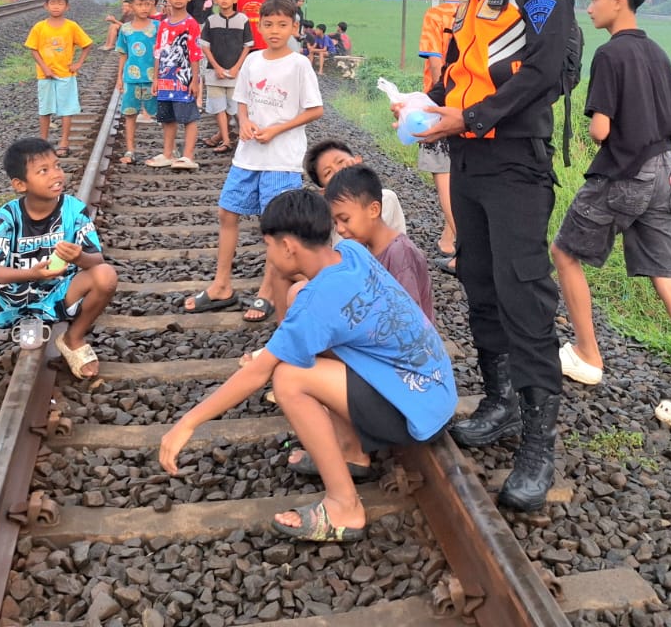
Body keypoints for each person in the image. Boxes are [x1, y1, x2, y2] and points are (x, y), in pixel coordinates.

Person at [159, 188, 455, 543]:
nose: (268, 256)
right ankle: (351, 452)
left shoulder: (319, 303)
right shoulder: (351, 253)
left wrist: (187, 423)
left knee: (288, 379)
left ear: (287, 247)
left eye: (268, 247)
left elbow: (258, 373)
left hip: (414, 405)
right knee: (297, 296)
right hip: (432, 386)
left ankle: (344, 507)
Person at [410, 0, 571, 511]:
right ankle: (501, 402)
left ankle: (539, 441)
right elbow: (458, 71)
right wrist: (427, 107)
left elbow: (545, 70)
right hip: (469, 160)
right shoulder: (476, 0)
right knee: (478, 280)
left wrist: (469, 116)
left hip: (515, 163)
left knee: (523, 290)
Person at [549, 0, 671, 443]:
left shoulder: (610, 55)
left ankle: (587, 354)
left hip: (623, 173)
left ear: (618, 1)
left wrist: (599, 130)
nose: (589, 7)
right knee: (669, 282)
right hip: (665, 173)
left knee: (564, 252)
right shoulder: (657, 52)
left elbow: (601, 130)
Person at [0, 137, 120, 389]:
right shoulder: (8, 216)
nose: (55, 174)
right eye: (43, 171)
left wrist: (78, 257)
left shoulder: (74, 210)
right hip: (12, 297)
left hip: (58, 295)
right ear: (20, 184)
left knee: (105, 275)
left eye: (57, 166)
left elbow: (96, 259)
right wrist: (30, 274)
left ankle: (73, 338)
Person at [184, 0, 321, 324]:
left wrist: (277, 129)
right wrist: (243, 122)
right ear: (260, 26)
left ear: (294, 28)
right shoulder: (254, 60)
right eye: (269, 24)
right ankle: (221, 285)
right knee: (227, 211)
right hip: (248, 156)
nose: (275, 31)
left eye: (283, 25)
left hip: (282, 159)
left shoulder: (299, 64)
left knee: (274, 227)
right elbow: (242, 100)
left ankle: (267, 292)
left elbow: (315, 109)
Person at [324, 165, 434, 324]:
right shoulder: (367, 248)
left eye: (345, 219)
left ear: (374, 210)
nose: (339, 229)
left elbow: (408, 319)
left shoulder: (399, 253)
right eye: (335, 222)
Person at [417, 0, 467, 271]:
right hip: (469, 104)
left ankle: (465, 245)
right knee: (461, 172)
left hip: (442, 104)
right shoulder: (475, 11)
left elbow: (436, 63)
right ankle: (448, 239)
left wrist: (438, 102)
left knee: (443, 174)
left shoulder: (436, 15)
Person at [25, 0, 93, 157]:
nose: (56, 7)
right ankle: (43, 141)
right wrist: (44, 67)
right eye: (53, 3)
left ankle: (64, 142)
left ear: (67, 7)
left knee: (66, 109)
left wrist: (78, 64)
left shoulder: (72, 26)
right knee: (45, 108)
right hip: (45, 75)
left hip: (65, 75)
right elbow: (33, 49)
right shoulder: (39, 27)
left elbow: (87, 45)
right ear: (45, 6)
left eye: (60, 3)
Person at [145, 0, 205, 170]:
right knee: (167, 117)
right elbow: (158, 51)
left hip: (184, 79)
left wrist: (195, 81)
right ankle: (168, 153)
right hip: (165, 79)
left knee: (189, 117)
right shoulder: (163, 24)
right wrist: (156, 78)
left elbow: (195, 54)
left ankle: (188, 155)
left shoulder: (191, 24)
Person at [303, 139, 409, 236]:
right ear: (324, 190)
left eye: (340, 162)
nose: (337, 171)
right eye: (328, 172)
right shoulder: (327, 218)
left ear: (358, 161)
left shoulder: (384, 199)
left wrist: (358, 174)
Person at [201, 0, 253, 155]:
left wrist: (237, 68)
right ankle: (225, 140)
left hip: (235, 74)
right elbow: (205, 46)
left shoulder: (243, 20)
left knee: (235, 108)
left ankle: (246, 135)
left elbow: (247, 46)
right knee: (219, 108)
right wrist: (216, 67)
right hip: (213, 73)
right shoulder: (211, 20)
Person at [116, 0, 159, 165]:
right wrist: (119, 77)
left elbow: (160, 53)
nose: (144, 8)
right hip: (131, 78)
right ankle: (130, 149)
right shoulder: (125, 29)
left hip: (152, 78)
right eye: (140, 4)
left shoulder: (157, 27)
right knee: (130, 114)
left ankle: (167, 150)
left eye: (148, 4)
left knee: (160, 114)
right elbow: (123, 54)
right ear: (131, 6)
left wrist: (158, 76)